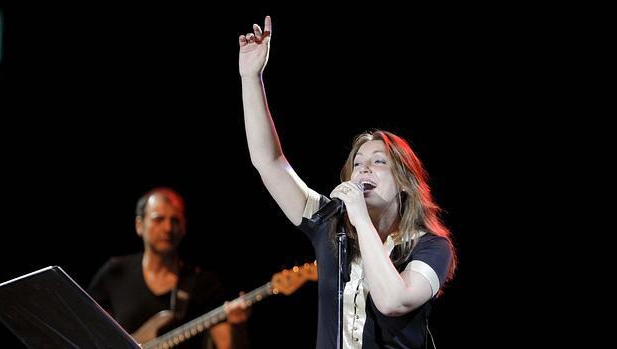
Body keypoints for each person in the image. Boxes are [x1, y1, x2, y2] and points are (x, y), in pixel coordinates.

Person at [238, 16, 457, 348]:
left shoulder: (431, 247)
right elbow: (269, 163)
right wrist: (250, 78)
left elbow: (393, 301)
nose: (364, 169)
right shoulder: (331, 225)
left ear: (403, 182)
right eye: (357, 164)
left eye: (377, 162)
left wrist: (358, 215)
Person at [88, 187, 250, 349]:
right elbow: (84, 325)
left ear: (184, 227)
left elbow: (228, 346)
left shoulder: (202, 284)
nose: (168, 228)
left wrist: (238, 326)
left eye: (175, 220)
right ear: (139, 225)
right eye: (158, 219)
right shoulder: (115, 272)